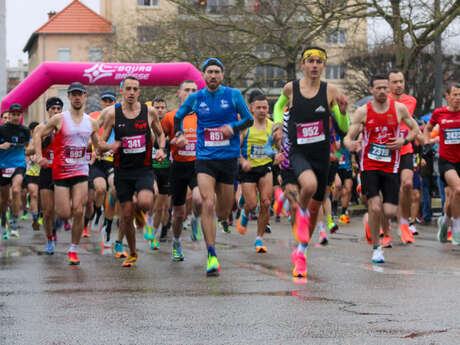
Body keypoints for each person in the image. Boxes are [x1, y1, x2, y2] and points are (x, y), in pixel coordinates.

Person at [272, 47, 349, 277]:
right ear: (303, 65)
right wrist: (277, 125)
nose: (315, 65)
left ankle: (302, 253)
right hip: (298, 151)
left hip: (321, 154)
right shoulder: (291, 88)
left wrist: (343, 112)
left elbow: (343, 128)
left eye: (319, 62)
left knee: (316, 207)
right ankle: (302, 215)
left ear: (324, 66)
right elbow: (277, 106)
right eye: (310, 61)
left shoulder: (331, 91)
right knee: (309, 186)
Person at [174, 58, 253, 276]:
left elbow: (249, 120)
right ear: (204, 75)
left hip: (227, 159)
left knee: (223, 210)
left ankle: (224, 217)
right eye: (209, 72)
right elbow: (179, 117)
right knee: (208, 203)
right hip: (205, 158)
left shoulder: (233, 95)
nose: (213, 75)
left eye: (217, 72)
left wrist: (233, 127)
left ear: (222, 75)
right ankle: (211, 254)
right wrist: (180, 134)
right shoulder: (196, 98)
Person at [344, 74, 420, 263]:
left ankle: (370, 220)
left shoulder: (399, 109)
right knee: (376, 206)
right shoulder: (363, 111)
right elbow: (349, 135)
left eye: (385, 88)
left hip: (391, 165)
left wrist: (404, 140)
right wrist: (349, 144)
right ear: (371, 90)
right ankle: (377, 248)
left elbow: (414, 128)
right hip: (369, 165)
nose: (382, 91)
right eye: (378, 88)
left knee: (389, 211)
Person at [100, 76, 166, 267]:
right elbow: (101, 142)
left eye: (134, 89)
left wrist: (161, 149)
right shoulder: (113, 114)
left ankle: (140, 215)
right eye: (127, 88)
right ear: (121, 91)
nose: (131, 92)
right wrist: (108, 146)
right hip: (122, 172)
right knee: (126, 215)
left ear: (139, 92)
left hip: (143, 169)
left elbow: (161, 134)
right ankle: (133, 252)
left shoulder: (149, 112)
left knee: (145, 202)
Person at [35, 83, 102, 265]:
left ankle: (73, 249)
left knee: (79, 210)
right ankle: (50, 237)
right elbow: (38, 133)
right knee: (60, 213)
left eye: (80, 94)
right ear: (69, 97)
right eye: (73, 94)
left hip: (80, 170)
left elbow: (97, 144)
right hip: (55, 170)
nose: (77, 97)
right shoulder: (59, 119)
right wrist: (39, 156)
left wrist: (107, 148)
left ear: (85, 96)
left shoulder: (91, 122)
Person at [162, 81, 203, 260]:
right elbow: (159, 142)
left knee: (199, 199)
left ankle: (195, 219)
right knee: (178, 213)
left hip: (198, 165)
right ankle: (177, 242)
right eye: (187, 90)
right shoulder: (171, 117)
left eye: (194, 91)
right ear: (179, 93)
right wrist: (171, 143)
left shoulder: (203, 116)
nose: (191, 93)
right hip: (178, 167)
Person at [424, 82, 460, 245]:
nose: (458, 98)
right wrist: (426, 142)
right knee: (458, 190)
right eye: (454, 95)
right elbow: (428, 128)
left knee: (452, 196)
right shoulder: (440, 113)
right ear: (447, 96)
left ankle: (444, 221)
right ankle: (457, 230)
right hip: (446, 161)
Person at [236, 94, 274, 253]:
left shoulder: (272, 126)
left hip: (265, 167)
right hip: (248, 169)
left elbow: (278, 146)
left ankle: (259, 239)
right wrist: (243, 161)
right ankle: (245, 213)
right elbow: (235, 149)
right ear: (251, 108)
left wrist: (278, 154)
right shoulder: (245, 126)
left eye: (264, 107)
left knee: (266, 202)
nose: (262, 110)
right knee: (252, 204)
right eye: (258, 107)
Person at [388, 70, 420, 243]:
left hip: (406, 147)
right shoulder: (383, 101)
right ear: (389, 84)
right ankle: (383, 226)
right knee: (387, 190)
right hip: (387, 150)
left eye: (401, 81)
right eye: (395, 82)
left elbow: (411, 124)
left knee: (407, 184)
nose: (398, 85)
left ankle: (403, 224)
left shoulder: (411, 101)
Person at [33, 97, 64, 254]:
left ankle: (57, 224)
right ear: (48, 110)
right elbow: (31, 148)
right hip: (46, 171)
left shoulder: (65, 127)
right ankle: (50, 239)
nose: (56, 112)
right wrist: (39, 156)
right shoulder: (41, 128)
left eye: (59, 109)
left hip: (62, 170)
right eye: (53, 109)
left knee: (64, 209)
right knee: (48, 210)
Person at [87, 90, 117, 247]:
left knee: (114, 190)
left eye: (110, 101)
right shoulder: (93, 118)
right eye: (105, 101)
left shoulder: (120, 118)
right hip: (97, 161)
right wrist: (96, 146)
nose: (107, 103)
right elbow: (87, 139)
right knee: (100, 189)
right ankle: (98, 211)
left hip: (113, 163)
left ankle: (108, 223)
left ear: (115, 102)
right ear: (101, 103)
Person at [0, 104, 31, 239]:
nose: (16, 117)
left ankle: (14, 222)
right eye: (13, 114)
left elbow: (29, 147)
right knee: (4, 200)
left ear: (21, 116)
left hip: (19, 164)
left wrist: (33, 153)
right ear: (10, 115)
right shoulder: (1, 129)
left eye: (18, 114)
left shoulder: (25, 130)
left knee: (16, 190)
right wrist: (1, 146)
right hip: (3, 166)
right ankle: (3, 220)